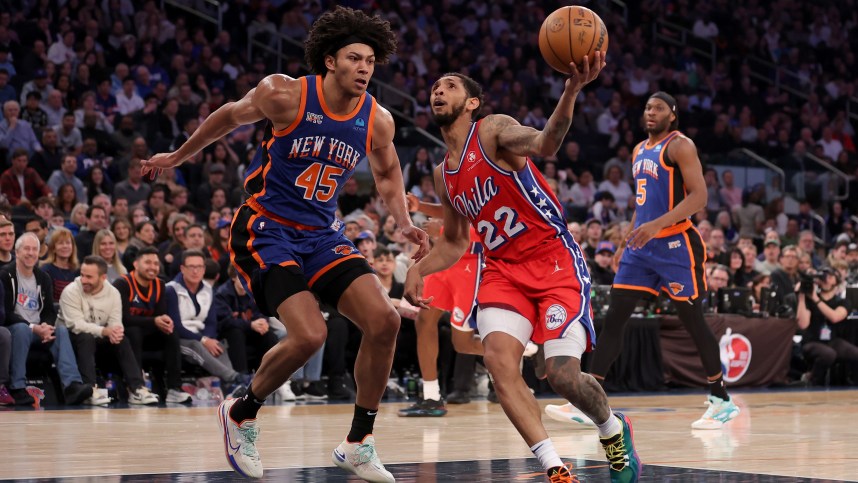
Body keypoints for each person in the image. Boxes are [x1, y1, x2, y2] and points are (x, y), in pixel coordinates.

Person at [141, 7, 429, 481]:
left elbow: (388, 170)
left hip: (321, 233)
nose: (364, 68)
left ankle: (359, 441)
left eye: (371, 61)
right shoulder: (285, 93)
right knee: (310, 334)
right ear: (330, 61)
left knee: (383, 320)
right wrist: (176, 157)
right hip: (265, 228)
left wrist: (403, 221)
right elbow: (227, 118)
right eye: (355, 58)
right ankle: (241, 412)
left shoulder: (376, 119)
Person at [405, 60, 641, 483]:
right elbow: (457, 241)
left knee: (564, 376)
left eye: (450, 86)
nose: (438, 91)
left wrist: (570, 91)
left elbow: (546, 144)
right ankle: (554, 466)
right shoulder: (444, 174)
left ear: (471, 103)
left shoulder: (493, 130)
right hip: (502, 272)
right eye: (435, 86)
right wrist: (418, 269)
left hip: (553, 261)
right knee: (498, 362)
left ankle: (612, 429)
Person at [564, 92, 739, 431]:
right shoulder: (638, 149)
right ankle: (591, 398)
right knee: (614, 318)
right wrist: (627, 239)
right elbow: (642, 205)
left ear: (672, 115)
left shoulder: (680, 145)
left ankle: (721, 400)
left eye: (658, 108)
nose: (650, 112)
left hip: (676, 244)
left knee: (692, 320)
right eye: (647, 107)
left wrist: (657, 225)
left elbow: (700, 196)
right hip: (641, 248)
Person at [398, 194, 484, 418]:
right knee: (424, 319)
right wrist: (421, 206)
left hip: (471, 264)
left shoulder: (494, 181)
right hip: (445, 258)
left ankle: (526, 349)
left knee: (462, 343)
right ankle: (431, 396)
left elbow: (488, 231)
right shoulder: (459, 175)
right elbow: (453, 210)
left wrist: (443, 233)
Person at [2, 233, 93, 406]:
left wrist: (46, 326)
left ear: (39, 252)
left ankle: (71, 386)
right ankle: (17, 387)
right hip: (16, 329)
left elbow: (50, 311)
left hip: (39, 330)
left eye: (34, 249)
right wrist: (32, 327)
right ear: (17, 252)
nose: (31, 253)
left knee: (60, 330)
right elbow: (5, 313)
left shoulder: (43, 278)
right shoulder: (6, 275)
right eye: (26, 249)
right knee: (22, 328)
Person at [59, 255, 159, 405]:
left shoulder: (113, 293)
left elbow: (115, 322)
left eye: (89, 277)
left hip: (98, 337)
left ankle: (137, 389)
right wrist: (105, 331)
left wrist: (115, 332)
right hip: (71, 339)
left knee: (122, 339)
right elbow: (76, 324)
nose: (84, 280)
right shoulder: (71, 291)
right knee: (85, 336)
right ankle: (90, 390)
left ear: (103, 277)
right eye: (82, 275)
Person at [113, 247, 192, 404]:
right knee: (134, 331)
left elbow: (160, 314)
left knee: (171, 333)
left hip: (148, 333)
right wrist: (154, 321)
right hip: (125, 334)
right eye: (147, 262)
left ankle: (174, 389)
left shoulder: (160, 284)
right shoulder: (122, 283)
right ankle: (136, 389)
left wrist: (165, 322)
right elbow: (124, 318)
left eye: (156, 263)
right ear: (136, 264)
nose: (153, 267)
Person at [796, 268, 858, 386]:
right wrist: (801, 297)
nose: (825, 280)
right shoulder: (809, 299)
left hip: (832, 340)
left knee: (855, 354)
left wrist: (816, 299)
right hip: (812, 341)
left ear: (837, 281)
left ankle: (852, 384)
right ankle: (812, 380)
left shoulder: (843, 302)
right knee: (828, 354)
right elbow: (803, 324)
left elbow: (835, 317)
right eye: (823, 277)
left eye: (830, 277)